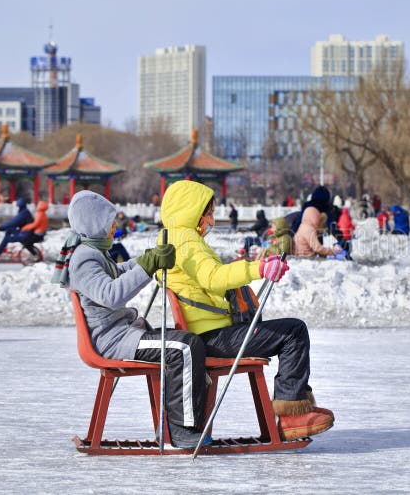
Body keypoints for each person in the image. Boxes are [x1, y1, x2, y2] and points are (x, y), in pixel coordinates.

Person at [161, 180, 334, 440]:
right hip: (214, 336)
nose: (212, 219)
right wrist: (257, 268)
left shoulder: (175, 238)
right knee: (293, 332)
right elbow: (213, 277)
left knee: (289, 330)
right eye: (208, 212)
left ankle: (293, 405)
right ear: (191, 211)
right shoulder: (187, 242)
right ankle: (292, 414)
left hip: (209, 330)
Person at [54, 190, 209, 449]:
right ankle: (180, 430)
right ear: (94, 223)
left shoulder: (94, 252)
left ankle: (172, 422)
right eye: (109, 221)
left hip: (123, 333)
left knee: (184, 342)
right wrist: (149, 266)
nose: (115, 225)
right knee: (185, 347)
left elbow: (119, 272)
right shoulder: (84, 259)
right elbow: (111, 294)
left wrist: (149, 258)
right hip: (113, 341)